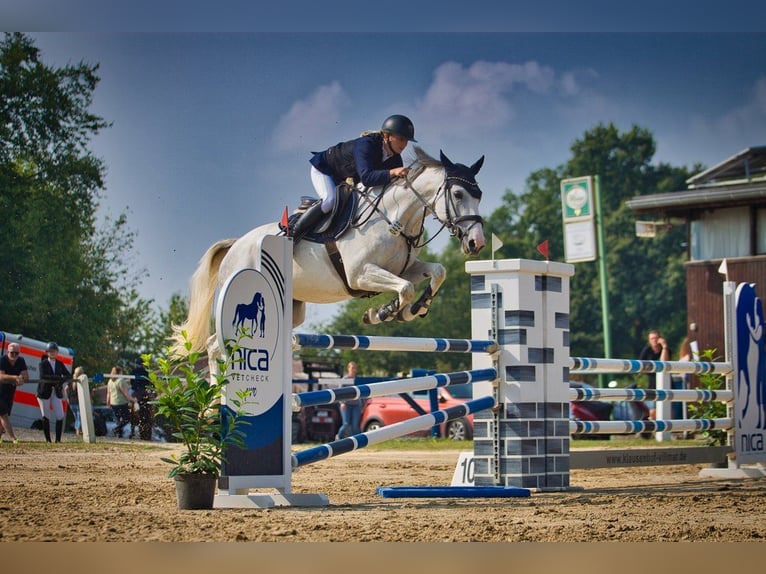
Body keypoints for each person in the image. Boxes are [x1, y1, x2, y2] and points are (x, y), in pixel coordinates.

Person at [292, 114, 417, 242]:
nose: (405, 144)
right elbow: (367, 178)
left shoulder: (395, 160)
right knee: (330, 200)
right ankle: (292, 234)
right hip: (325, 169)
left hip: (344, 178)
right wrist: (393, 172)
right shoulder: (367, 144)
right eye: (401, 139)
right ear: (386, 135)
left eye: (407, 140)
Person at [37, 342, 71, 443]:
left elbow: (68, 375)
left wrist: (61, 380)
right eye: (50, 351)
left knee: (60, 415)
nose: (52, 353)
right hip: (44, 392)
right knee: (46, 415)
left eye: (54, 351)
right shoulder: (43, 364)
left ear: (57, 352)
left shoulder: (60, 364)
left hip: (56, 391)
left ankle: (58, 440)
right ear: (47, 353)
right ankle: (48, 440)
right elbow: (43, 376)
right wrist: (58, 378)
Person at [0, 343, 29, 444]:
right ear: (8, 352)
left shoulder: (21, 361)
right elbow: (1, 376)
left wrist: (21, 377)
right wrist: (15, 377)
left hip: (10, 391)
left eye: (17, 353)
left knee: (5, 414)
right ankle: (13, 438)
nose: (14, 355)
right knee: (3, 414)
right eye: (12, 352)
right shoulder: (2, 360)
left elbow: (26, 375)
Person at [336, 361, 363, 439]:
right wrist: (342, 403)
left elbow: (362, 393)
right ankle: (338, 437)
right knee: (346, 424)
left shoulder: (358, 380)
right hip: (346, 404)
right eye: (352, 368)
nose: (354, 370)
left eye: (355, 368)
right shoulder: (344, 379)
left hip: (356, 405)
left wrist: (362, 405)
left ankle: (356, 442)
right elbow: (339, 392)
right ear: (348, 369)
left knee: (355, 425)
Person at [106, 366, 135, 438]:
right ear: (119, 372)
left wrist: (108, 402)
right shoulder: (121, 381)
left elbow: (108, 393)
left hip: (113, 403)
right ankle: (116, 430)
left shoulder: (110, 381)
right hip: (121, 403)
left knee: (119, 420)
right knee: (127, 419)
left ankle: (119, 435)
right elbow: (125, 393)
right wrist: (133, 399)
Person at [130, 357, 154, 440]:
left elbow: (132, 383)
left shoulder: (133, 371)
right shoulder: (147, 372)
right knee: (152, 403)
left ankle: (132, 431)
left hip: (136, 392)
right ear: (143, 364)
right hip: (144, 391)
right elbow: (151, 383)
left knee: (130, 402)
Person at [65, 366, 87, 436]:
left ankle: (78, 430)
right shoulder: (81, 381)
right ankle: (78, 431)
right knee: (79, 418)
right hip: (78, 402)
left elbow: (66, 389)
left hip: (71, 402)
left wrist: (67, 398)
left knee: (76, 417)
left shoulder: (71, 380)